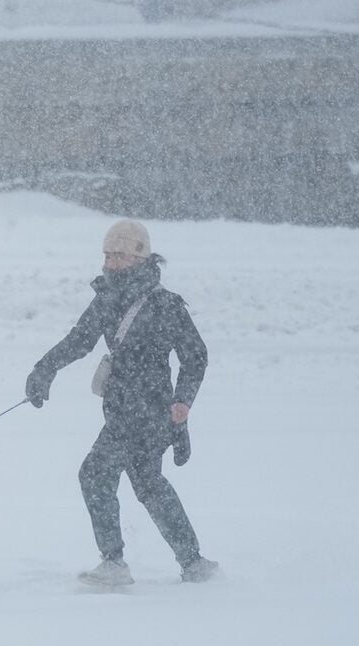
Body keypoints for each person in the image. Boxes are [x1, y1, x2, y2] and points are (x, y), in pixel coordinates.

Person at [23, 219, 217, 586]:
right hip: (123, 407)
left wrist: (183, 400)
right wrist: (43, 370)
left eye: (120, 256)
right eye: (108, 255)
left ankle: (114, 563)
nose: (111, 263)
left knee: (95, 474)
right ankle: (194, 563)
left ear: (140, 257)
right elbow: (79, 340)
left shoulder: (165, 305)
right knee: (148, 482)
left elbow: (196, 357)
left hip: (149, 409)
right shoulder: (108, 298)